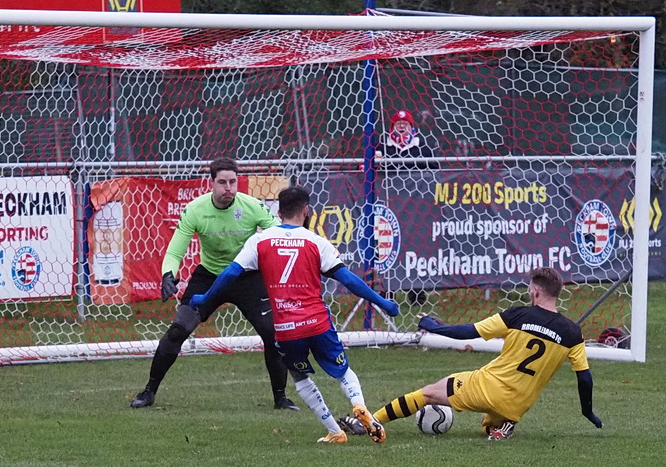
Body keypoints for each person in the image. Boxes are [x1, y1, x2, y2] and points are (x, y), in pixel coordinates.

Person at [190, 185, 401, 444]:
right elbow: (348, 279)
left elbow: (230, 273)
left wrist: (206, 297)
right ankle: (358, 405)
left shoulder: (260, 240)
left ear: (278, 212)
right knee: (343, 371)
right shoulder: (316, 242)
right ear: (306, 210)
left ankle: (335, 431)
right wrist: (383, 302)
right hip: (317, 323)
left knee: (300, 376)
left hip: (287, 328)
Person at [350, 267, 603, 440]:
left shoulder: (518, 315)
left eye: (530, 288)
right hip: (518, 404)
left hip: (488, 386)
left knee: (427, 393)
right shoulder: (572, 332)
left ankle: (371, 421)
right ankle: (503, 425)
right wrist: (587, 412)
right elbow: (585, 378)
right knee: (489, 424)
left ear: (536, 291)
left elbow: (469, 331)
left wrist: (435, 327)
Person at [130, 157, 298, 411]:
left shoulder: (252, 206)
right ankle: (149, 391)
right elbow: (175, 252)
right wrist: (167, 275)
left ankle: (281, 398)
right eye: (222, 182)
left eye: (233, 182)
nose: (229, 187)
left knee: (272, 334)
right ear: (212, 183)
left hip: (247, 276)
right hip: (209, 276)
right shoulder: (196, 210)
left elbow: (280, 234)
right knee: (178, 330)